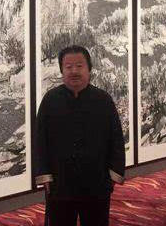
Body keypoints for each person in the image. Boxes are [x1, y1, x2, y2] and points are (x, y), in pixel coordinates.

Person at [35, 45, 126, 226]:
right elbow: (39, 141)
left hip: (97, 182)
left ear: (89, 68)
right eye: (68, 67)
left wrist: (114, 175)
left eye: (79, 66)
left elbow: (116, 139)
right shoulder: (50, 100)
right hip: (60, 182)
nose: (74, 71)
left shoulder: (103, 100)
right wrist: (44, 174)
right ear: (62, 70)